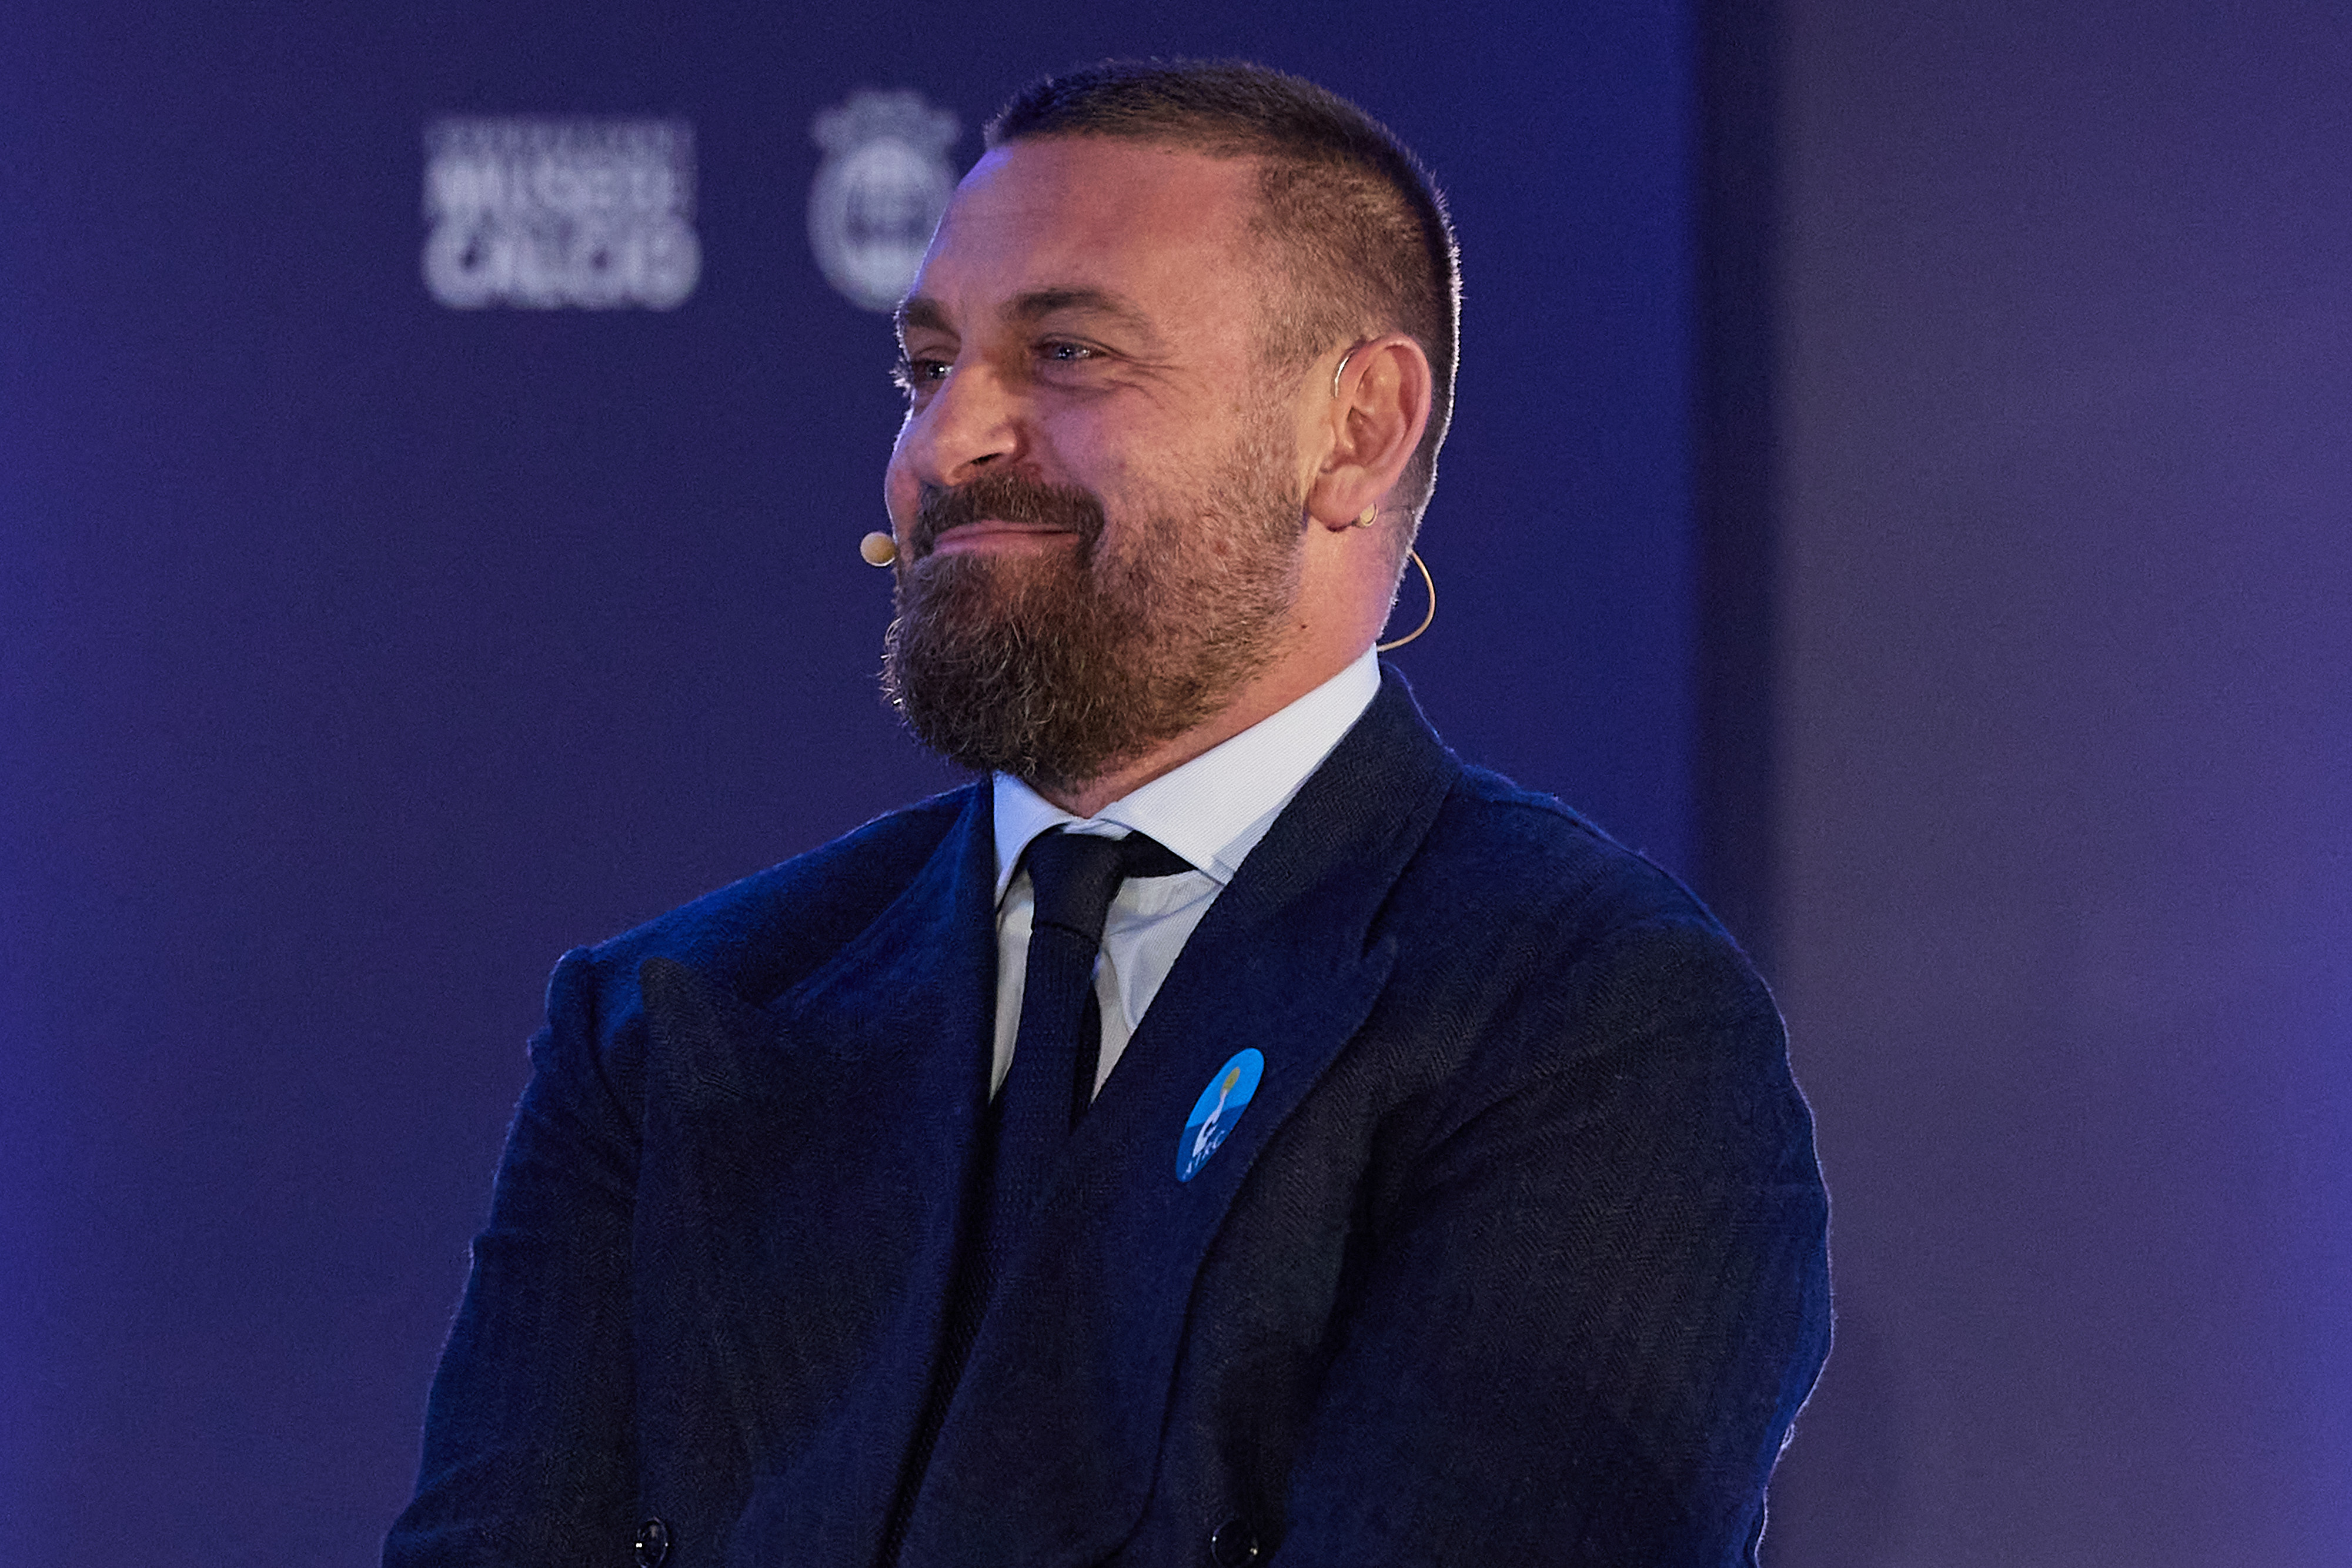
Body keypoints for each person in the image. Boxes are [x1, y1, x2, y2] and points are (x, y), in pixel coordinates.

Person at [386, 59, 1830, 1568]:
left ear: (1355, 428)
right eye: (924, 368)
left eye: (1065, 353)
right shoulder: (668, 1019)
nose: (944, 443)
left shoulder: (1583, 1017)